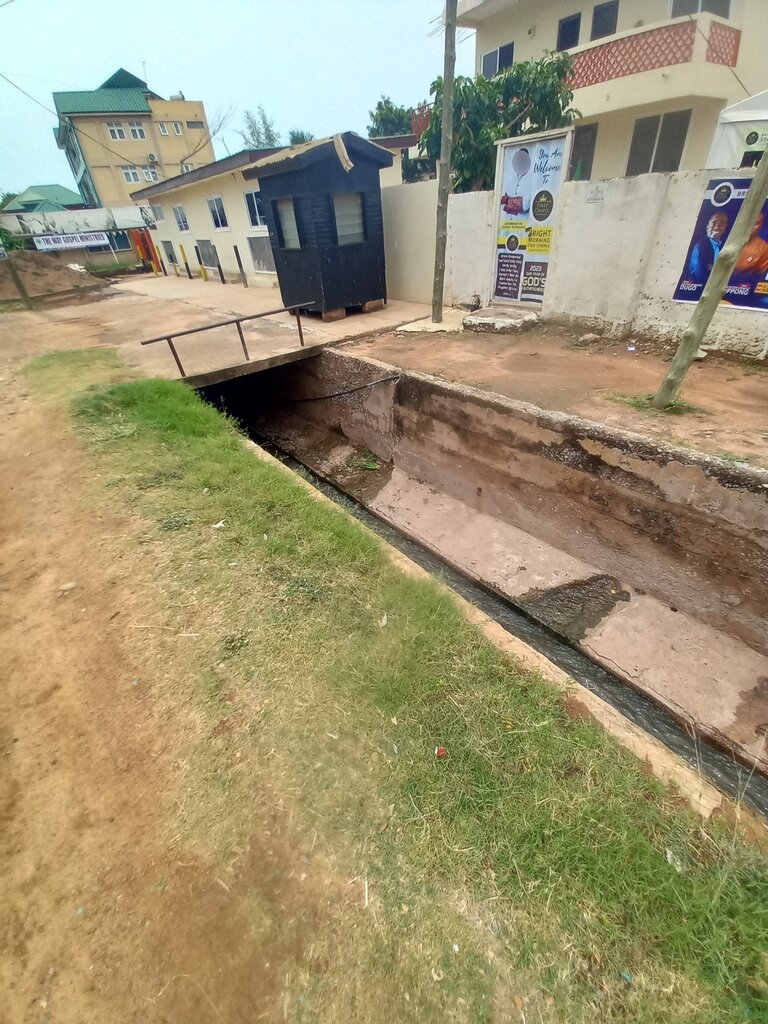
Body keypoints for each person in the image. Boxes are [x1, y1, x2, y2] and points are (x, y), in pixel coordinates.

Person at [688, 211, 728, 284]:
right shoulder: (700, 247)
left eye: (722, 223)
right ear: (707, 226)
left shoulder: (724, 246)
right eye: (714, 222)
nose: (717, 226)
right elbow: (700, 275)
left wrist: (711, 266)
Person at [734, 212, 768, 279]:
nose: (751, 226)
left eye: (756, 223)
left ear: (761, 226)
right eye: (749, 222)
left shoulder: (764, 249)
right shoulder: (725, 240)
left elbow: (760, 276)